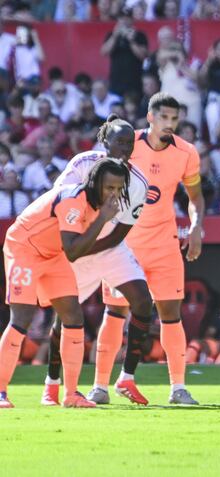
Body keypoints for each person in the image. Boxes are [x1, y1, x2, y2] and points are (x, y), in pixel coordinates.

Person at [40, 116, 152, 407]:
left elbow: (117, 236)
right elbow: (57, 203)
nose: (125, 148)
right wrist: (72, 250)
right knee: (63, 319)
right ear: (105, 141)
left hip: (107, 248)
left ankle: (126, 378)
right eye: (119, 142)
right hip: (75, 247)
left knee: (143, 301)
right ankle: (51, 385)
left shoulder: (139, 183)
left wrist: (82, 250)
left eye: (130, 143)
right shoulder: (82, 163)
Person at [101, 93, 204, 405]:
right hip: (124, 243)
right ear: (150, 117)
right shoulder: (127, 143)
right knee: (115, 312)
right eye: (164, 117)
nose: (170, 124)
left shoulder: (186, 152)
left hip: (164, 244)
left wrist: (196, 226)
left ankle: (178, 388)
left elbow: (195, 197)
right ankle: (99, 386)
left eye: (174, 118)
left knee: (171, 314)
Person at [0, 158, 128, 408]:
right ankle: (0, 392)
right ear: (95, 183)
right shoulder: (73, 199)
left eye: (118, 188)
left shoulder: (98, 205)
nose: (114, 194)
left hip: (53, 254)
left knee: (73, 316)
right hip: (24, 249)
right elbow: (72, 251)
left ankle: (71, 394)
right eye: (109, 187)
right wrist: (103, 219)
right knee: (21, 318)